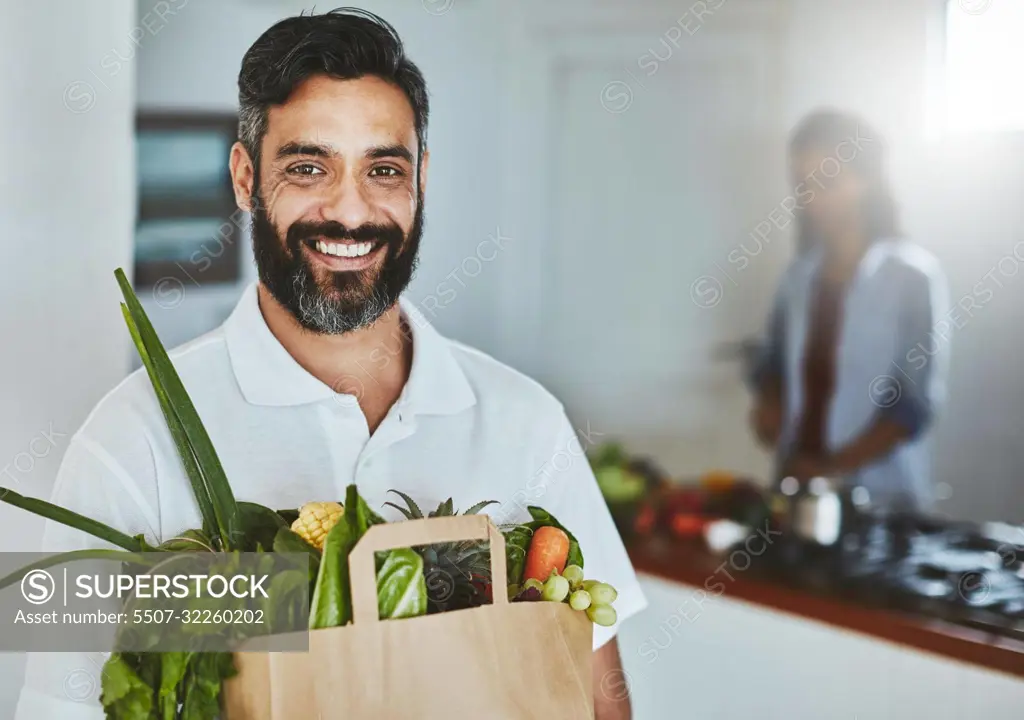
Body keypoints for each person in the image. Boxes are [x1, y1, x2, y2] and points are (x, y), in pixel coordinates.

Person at [16, 10, 644, 718]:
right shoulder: (132, 441)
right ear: (246, 177)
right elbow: (55, 708)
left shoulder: (527, 422)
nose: (351, 211)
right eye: (309, 167)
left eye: (383, 169)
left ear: (421, 181)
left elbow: (599, 694)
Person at [749, 110, 950, 512]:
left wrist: (830, 469)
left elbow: (913, 403)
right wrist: (769, 404)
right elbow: (771, 361)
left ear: (866, 181)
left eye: (826, 182)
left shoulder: (912, 277)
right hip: (797, 492)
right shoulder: (799, 278)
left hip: (881, 500)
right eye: (802, 185)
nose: (812, 199)